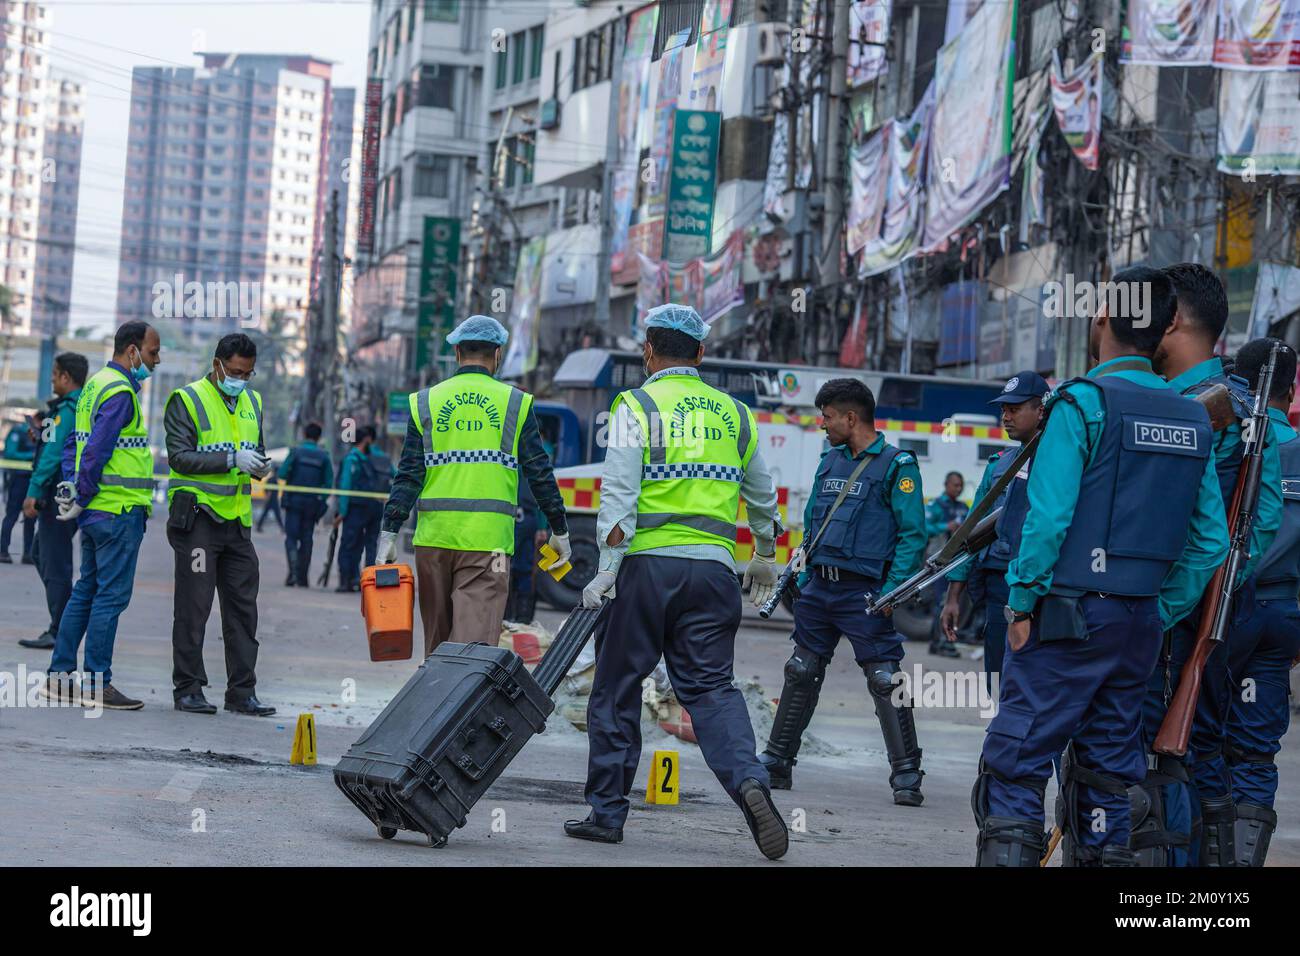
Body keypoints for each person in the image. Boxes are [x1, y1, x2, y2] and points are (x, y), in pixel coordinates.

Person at [973, 267, 1228, 867]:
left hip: (1066, 615)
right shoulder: (1194, 417)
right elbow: (1209, 539)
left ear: (1101, 320)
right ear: (1166, 328)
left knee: (1015, 758)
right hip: (1138, 624)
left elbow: (1049, 516)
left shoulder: (1082, 403)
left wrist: (1021, 600)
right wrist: (1159, 607)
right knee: (1109, 773)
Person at [567, 304, 789, 859]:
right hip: (714, 573)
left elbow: (617, 496)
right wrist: (764, 553)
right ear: (701, 353)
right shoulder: (735, 414)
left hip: (645, 569)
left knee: (617, 688)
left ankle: (607, 815)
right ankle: (750, 783)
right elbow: (763, 495)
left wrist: (606, 572)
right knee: (712, 691)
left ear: (648, 351)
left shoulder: (635, 404)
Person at [1141, 262, 1283, 866]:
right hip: (1217, 607)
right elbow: (1265, 519)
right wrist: (1221, 584)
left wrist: (1186, 597)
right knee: (1205, 754)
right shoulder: (1252, 414)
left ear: (1171, 320)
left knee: (1152, 758)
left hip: (1165, 609)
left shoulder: (1184, 404)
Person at [757, 377, 928, 806]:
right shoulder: (829, 461)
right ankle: (777, 762)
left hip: (867, 593)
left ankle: (907, 775)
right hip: (820, 589)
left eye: (828, 416)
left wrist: (892, 593)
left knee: (886, 680)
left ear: (852, 417)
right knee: (800, 672)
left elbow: (912, 536)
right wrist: (802, 570)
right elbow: (815, 523)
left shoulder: (897, 465)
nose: (822, 424)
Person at [377, 315, 570, 656]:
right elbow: (539, 471)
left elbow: (408, 473)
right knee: (473, 649)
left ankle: (435, 708)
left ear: (456, 353)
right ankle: (459, 709)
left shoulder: (425, 401)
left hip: (433, 541)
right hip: (489, 544)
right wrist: (559, 529)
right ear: (498, 354)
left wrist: (389, 531)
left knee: (438, 646)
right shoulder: (515, 402)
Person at [40, 321, 162, 710]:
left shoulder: (94, 385)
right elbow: (96, 450)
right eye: (152, 352)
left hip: (94, 511)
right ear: (132, 351)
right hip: (117, 510)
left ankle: (59, 677)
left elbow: (74, 445)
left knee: (85, 591)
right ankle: (97, 683)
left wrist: (75, 492)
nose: (155, 361)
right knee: (110, 597)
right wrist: (85, 489)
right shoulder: (120, 391)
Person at [164, 333, 276, 716]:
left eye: (247, 373)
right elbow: (179, 457)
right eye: (234, 371)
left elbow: (254, 451)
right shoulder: (187, 399)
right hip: (197, 521)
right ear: (217, 365)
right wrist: (232, 459)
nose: (240, 379)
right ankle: (188, 688)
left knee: (244, 611)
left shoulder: (253, 401)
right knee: (193, 608)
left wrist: (259, 465)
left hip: (237, 524)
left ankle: (242, 692)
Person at [1219, 338, 1300, 866]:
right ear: (1291, 390)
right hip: (1286, 616)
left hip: (1226, 610)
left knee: (1199, 739)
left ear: (1242, 385)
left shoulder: (1234, 441)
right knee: (1254, 747)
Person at [940, 372, 1049, 690]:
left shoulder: (1065, 460)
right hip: (1000, 581)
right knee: (998, 678)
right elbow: (970, 533)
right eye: (1004, 409)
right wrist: (953, 597)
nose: (1006, 416)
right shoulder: (1000, 466)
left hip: (1046, 585)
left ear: (1040, 410)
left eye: (1014, 409)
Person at [19, 352, 88, 649]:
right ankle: (63, 623)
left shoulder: (66, 411)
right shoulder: (79, 407)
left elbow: (52, 454)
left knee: (54, 562)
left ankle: (60, 629)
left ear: (65, 377)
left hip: (57, 495)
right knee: (41, 553)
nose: (52, 379)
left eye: (55, 373)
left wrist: (33, 491)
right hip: (69, 493)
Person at [333, 424, 393, 592]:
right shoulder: (382, 458)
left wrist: (341, 512)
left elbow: (345, 485)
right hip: (376, 507)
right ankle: (370, 581)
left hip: (356, 508)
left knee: (349, 544)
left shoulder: (352, 457)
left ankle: (347, 580)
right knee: (371, 544)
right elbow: (394, 476)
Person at [278, 422, 332, 587]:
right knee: (307, 539)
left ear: (304, 434)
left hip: (293, 501)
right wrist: (320, 500)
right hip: (311, 504)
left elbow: (281, 473)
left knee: (291, 538)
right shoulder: (324, 456)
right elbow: (328, 483)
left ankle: (292, 572)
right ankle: (302, 577)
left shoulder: (295, 452)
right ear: (318, 437)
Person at [925, 470, 967, 657]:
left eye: (961, 485)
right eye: (955, 485)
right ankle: (940, 642)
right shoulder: (935, 505)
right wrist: (946, 527)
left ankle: (941, 642)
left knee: (951, 600)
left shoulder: (963, 508)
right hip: (939, 561)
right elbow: (924, 527)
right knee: (942, 600)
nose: (958, 489)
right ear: (946, 484)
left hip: (957, 561)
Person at [1, 416, 38, 563]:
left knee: (30, 517)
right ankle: (3, 551)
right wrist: (31, 456)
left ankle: (28, 554)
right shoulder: (19, 431)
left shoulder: (43, 434)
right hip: (18, 479)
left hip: (33, 480)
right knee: (12, 515)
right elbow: (10, 452)